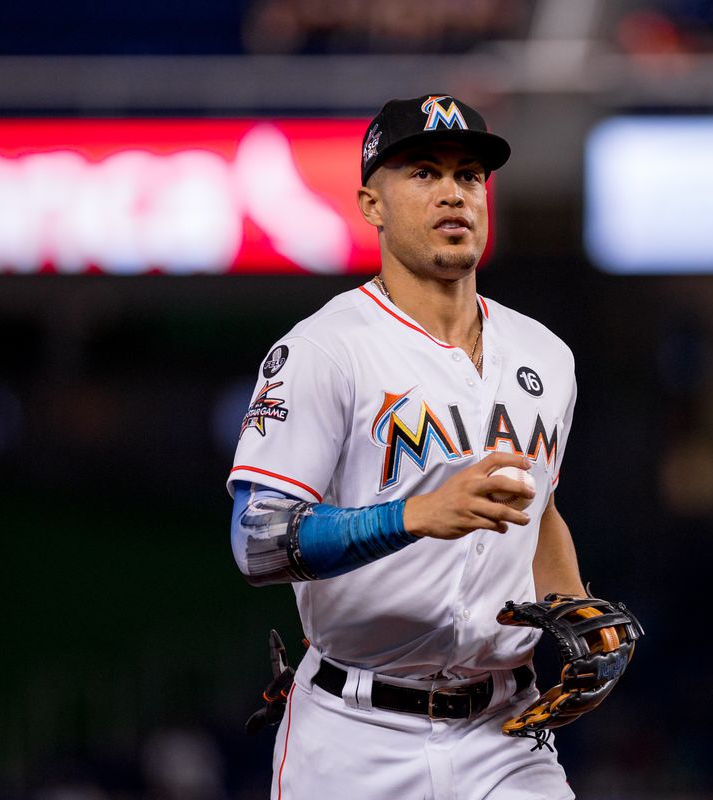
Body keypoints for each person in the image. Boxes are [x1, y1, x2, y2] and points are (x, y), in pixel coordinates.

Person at [227, 94, 584, 799]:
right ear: (371, 202)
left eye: (470, 176)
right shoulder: (325, 350)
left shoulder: (547, 354)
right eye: (423, 173)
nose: (453, 192)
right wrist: (412, 514)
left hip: (506, 732)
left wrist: (574, 607)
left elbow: (538, 509)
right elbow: (256, 542)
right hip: (354, 735)